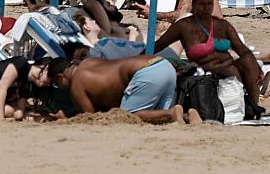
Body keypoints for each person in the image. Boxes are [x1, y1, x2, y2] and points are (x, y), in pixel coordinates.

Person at [154, 0, 268, 117]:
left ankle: (254, 105)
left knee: (248, 60)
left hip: (230, 69)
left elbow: (242, 50)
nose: (207, 7)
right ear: (194, 3)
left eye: (210, 3)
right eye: (202, 4)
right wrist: (140, 58)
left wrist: (256, 67)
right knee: (232, 69)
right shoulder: (184, 26)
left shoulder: (222, 25)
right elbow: (160, 45)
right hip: (204, 71)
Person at [62, 52, 191, 124]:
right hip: (164, 64)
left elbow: (89, 118)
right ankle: (187, 116)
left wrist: (64, 120)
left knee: (128, 116)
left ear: (60, 77)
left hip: (146, 72)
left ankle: (171, 112)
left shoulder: (76, 84)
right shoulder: (89, 62)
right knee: (157, 120)